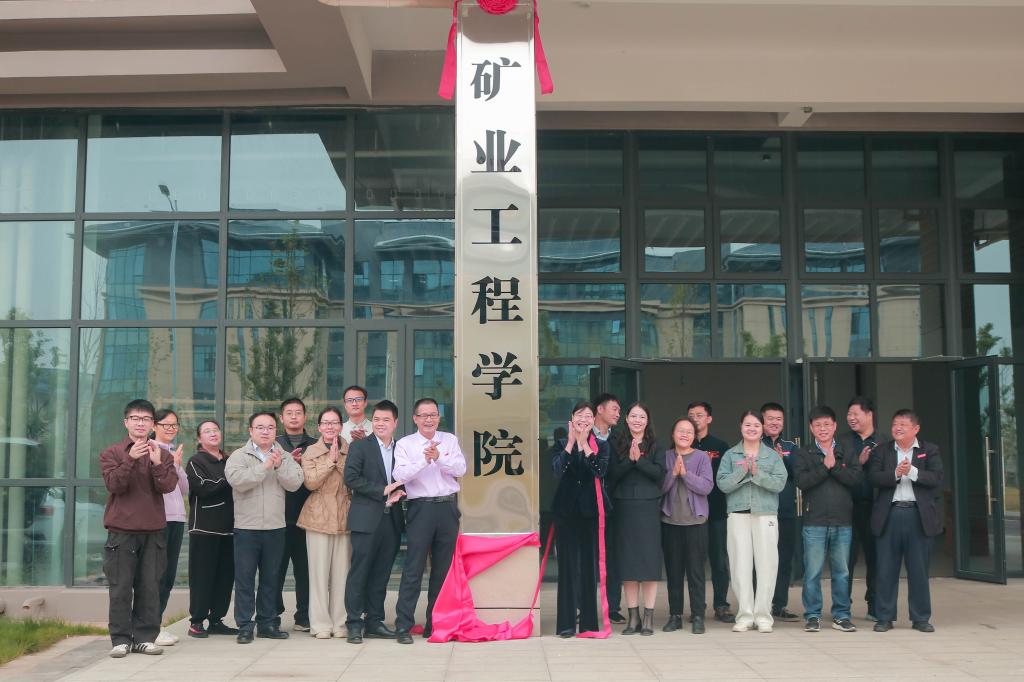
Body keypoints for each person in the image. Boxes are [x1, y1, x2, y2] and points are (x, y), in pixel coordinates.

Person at [100, 399, 179, 658]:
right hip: (121, 532)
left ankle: (145, 638)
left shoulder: (163, 455)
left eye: (146, 419)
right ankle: (121, 639)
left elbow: (168, 486)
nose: (140, 423)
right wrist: (130, 459)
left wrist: (157, 464)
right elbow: (114, 485)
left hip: (153, 531)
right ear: (126, 422)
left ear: (153, 424)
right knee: (120, 588)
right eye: (135, 418)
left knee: (149, 588)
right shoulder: (112, 453)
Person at [392, 398, 467, 644]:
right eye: (423, 415)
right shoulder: (405, 444)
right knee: (413, 568)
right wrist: (424, 460)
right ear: (415, 419)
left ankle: (435, 624)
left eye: (433, 414)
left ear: (438, 417)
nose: (429, 419)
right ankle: (403, 626)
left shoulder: (449, 440)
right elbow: (400, 475)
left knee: (442, 570)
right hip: (420, 509)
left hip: (447, 507)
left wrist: (439, 457)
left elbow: (461, 469)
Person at [226, 411, 305, 643]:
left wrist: (279, 466)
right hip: (246, 527)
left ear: (275, 431)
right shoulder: (239, 456)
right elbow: (238, 481)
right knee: (245, 579)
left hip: (275, 527)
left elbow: (295, 483)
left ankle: (267, 623)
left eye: (270, 427)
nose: (265, 431)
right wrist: (265, 466)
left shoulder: (284, 456)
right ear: (250, 431)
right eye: (260, 427)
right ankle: (244, 626)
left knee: (271, 578)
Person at [870, 409, 943, 633]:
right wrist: (895, 473)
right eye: (895, 424)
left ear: (916, 429)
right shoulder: (882, 450)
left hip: (917, 515)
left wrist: (911, 471)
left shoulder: (929, 450)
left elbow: (936, 478)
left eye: (903, 424)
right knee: (886, 569)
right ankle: (884, 617)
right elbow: (873, 477)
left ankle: (920, 617)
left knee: (918, 570)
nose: (898, 428)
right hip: (890, 514)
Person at [716, 411, 787, 633]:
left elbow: (780, 483)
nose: (752, 429)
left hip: (765, 514)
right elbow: (722, 484)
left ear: (762, 428)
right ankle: (745, 615)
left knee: (767, 565)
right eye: (748, 425)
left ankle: (764, 616)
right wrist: (743, 470)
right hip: (738, 514)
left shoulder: (772, 456)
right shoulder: (730, 455)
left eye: (756, 425)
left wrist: (757, 474)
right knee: (740, 566)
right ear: (741, 427)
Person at [793, 406, 862, 633]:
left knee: (841, 572)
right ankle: (812, 615)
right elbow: (802, 481)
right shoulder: (804, 453)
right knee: (812, 572)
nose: (823, 429)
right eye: (818, 425)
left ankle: (841, 615)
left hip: (842, 520)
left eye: (827, 424)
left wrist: (835, 467)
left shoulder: (846, 450)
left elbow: (855, 478)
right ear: (811, 428)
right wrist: (824, 467)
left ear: (834, 426)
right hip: (814, 520)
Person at [343, 400, 406, 644]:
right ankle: (354, 623)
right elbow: (351, 478)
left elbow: (408, 478)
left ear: (395, 423)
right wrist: (382, 490)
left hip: (392, 520)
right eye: (377, 419)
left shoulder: (402, 448)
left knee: (382, 573)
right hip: (366, 520)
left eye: (386, 420)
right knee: (359, 572)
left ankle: (375, 621)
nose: (380, 424)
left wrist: (401, 493)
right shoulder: (360, 447)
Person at [551, 401, 611, 637]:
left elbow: (600, 471)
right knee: (567, 568)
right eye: (579, 415)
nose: (583, 419)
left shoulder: (602, 445)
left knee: (588, 568)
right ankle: (566, 625)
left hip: (590, 513)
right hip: (566, 512)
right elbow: (557, 471)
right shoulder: (560, 444)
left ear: (594, 420)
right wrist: (571, 443)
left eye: (588, 416)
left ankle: (588, 623)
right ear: (571, 418)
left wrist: (585, 444)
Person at [606, 403, 663, 636]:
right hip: (624, 507)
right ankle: (633, 617)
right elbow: (611, 475)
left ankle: (648, 617)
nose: (637, 420)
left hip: (648, 508)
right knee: (628, 564)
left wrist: (640, 460)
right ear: (626, 419)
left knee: (649, 563)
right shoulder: (616, 443)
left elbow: (659, 474)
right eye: (633, 416)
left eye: (642, 416)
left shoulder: (656, 445)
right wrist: (629, 461)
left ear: (647, 421)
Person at [298, 407, 352, 639]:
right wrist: (330, 461)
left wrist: (339, 459)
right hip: (317, 516)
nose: (330, 427)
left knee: (342, 575)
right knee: (318, 575)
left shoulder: (352, 450)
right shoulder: (311, 451)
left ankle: (341, 623)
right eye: (326, 423)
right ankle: (320, 625)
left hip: (345, 516)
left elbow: (354, 480)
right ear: (319, 427)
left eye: (335, 422)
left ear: (341, 426)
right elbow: (310, 482)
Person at [660, 417, 713, 635]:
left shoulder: (702, 457)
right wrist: (673, 474)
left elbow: (706, 487)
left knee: (696, 572)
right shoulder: (665, 457)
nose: (684, 434)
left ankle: (698, 615)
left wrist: (685, 474)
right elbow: (659, 488)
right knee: (673, 572)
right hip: (670, 522)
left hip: (696, 523)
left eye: (689, 431)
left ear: (694, 436)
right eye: (680, 431)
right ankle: (675, 616)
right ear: (673, 434)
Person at [185, 419, 238, 638]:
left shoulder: (230, 459)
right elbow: (203, 488)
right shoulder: (196, 461)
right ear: (200, 438)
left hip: (230, 528)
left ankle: (217, 619)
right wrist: (229, 478)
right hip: (204, 529)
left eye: (215, 430)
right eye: (207, 431)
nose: (213, 433)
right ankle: (196, 621)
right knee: (202, 577)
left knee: (225, 577)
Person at [687, 401, 734, 623]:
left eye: (699, 415)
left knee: (719, 561)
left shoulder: (720, 446)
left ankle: (721, 604)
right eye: (691, 415)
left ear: (709, 419)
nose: (695, 419)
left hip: (716, 511)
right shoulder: (683, 443)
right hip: (691, 512)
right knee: (694, 562)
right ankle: (697, 607)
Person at [274, 397, 317, 632]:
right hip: (278, 518)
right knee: (275, 569)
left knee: (305, 570)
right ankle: (273, 614)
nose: (293, 416)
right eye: (289, 413)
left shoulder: (316, 445)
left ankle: (304, 615)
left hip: (306, 517)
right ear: (282, 418)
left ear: (305, 417)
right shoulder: (274, 444)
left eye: (298, 412)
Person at [841, 396, 885, 621]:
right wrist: (858, 462)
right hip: (849, 508)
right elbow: (838, 471)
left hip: (876, 509)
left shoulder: (885, 441)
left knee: (876, 558)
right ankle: (843, 607)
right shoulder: (843, 442)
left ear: (869, 414)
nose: (851, 418)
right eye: (849, 414)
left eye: (855, 414)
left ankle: (874, 605)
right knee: (845, 560)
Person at [151, 408, 188, 647]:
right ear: (155, 426)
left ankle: (156, 624)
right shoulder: (151, 450)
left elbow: (184, 489)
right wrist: (170, 465)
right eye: (166, 424)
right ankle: (150, 626)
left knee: (168, 576)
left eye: (174, 425)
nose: (171, 429)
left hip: (177, 518)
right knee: (156, 574)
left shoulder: (173, 452)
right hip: (158, 518)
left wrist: (177, 466)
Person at [760, 402, 799, 623]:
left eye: (778, 419)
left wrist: (782, 459)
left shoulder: (790, 446)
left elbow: (798, 474)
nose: (774, 423)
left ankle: (779, 604)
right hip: (762, 511)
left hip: (785, 512)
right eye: (770, 419)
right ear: (762, 421)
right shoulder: (756, 443)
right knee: (761, 560)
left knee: (784, 559)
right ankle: (760, 603)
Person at [592, 393, 624, 624]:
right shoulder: (584, 435)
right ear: (600, 409)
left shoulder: (619, 439)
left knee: (613, 557)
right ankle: (585, 607)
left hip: (612, 507)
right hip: (587, 507)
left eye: (619, 411)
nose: (618, 414)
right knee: (588, 558)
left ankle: (613, 607)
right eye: (614, 409)